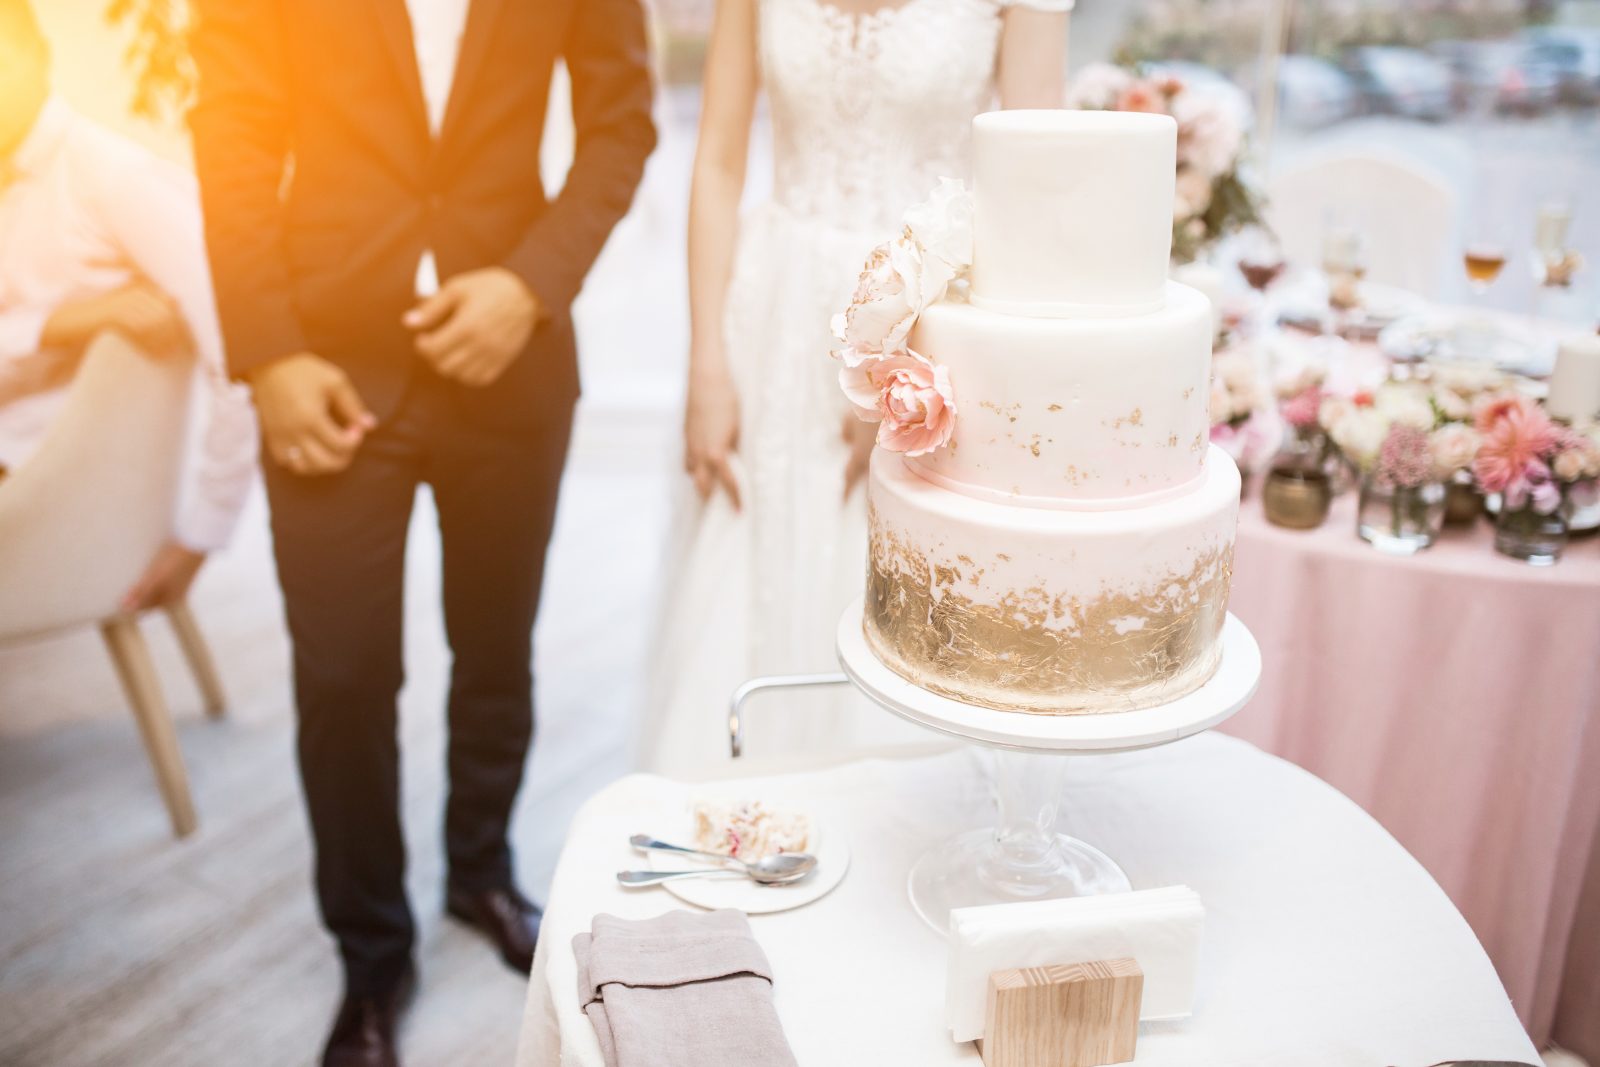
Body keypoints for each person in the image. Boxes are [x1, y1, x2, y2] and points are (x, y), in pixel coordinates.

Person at [187, 1, 655, 1063]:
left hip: (512, 362)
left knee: (495, 645)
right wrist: (268, 355)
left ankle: (480, 870)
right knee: (344, 671)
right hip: (326, 365)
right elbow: (233, 131)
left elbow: (620, 125)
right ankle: (371, 954)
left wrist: (530, 286)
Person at [642, 0, 1071, 776]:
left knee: (889, 586)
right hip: (773, 320)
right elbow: (717, 163)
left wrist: (913, 354)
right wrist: (707, 360)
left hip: (936, 324)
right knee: (748, 573)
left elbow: (1034, 187)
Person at [0, 1, 255, 610]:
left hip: (42, 485)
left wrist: (202, 532)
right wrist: (61, 324)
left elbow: (238, 346)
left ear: (39, 56)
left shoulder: (114, 178)